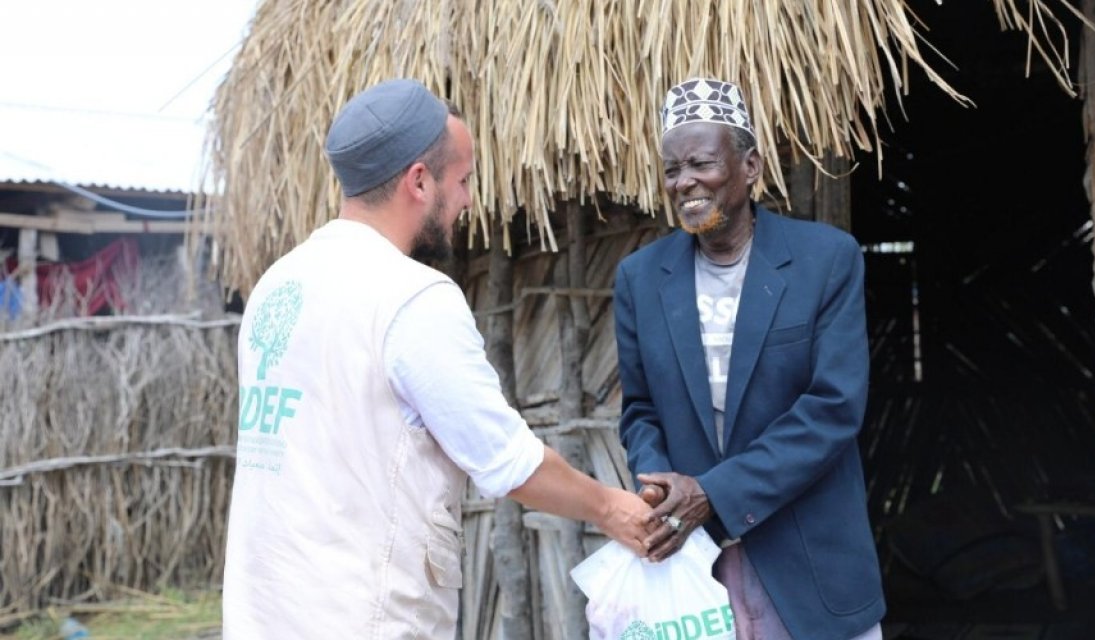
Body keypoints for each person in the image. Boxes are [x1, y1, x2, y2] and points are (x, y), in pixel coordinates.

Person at [222, 79, 653, 639]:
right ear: (420, 181)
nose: (469, 200)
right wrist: (611, 507)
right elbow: (505, 460)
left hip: (264, 616)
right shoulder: (411, 297)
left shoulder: (278, 285)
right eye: (464, 180)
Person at [613, 78, 884, 640]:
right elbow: (640, 409)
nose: (685, 181)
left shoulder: (824, 260)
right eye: (672, 169)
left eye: (702, 163)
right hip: (693, 565)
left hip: (810, 562)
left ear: (751, 165)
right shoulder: (641, 278)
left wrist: (714, 494)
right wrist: (660, 488)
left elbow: (833, 407)